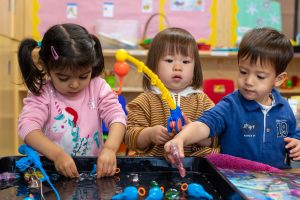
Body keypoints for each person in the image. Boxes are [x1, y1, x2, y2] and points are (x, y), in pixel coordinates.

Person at [165, 27, 300, 169]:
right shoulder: (231, 105)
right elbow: (203, 125)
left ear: (278, 79)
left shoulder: (284, 107)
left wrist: (297, 143)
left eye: (260, 76)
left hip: (274, 183)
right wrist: (180, 139)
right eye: (243, 72)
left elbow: (293, 135)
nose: (248, 81)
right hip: (236, 179)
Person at [18, 23, 127, 178]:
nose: (75, 84)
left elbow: (117, 116)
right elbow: (27, 128)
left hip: (91, 172)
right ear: (47, 68)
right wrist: (57, 155)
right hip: (51, 172)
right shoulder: (43, 91)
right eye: (63, 78)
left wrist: (110, 148)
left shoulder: (97, 86)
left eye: (83, 76)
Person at [125, 27, 219, 156]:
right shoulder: (144, 101)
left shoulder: (203, 102)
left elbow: (217, 138)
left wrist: (197, 133)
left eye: (186, 61)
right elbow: (129, 138)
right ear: (153, 67)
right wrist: (149, 134)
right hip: (154, 169)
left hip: (194, 168)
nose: (178, 67)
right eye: (169, 60)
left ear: (194, 70)